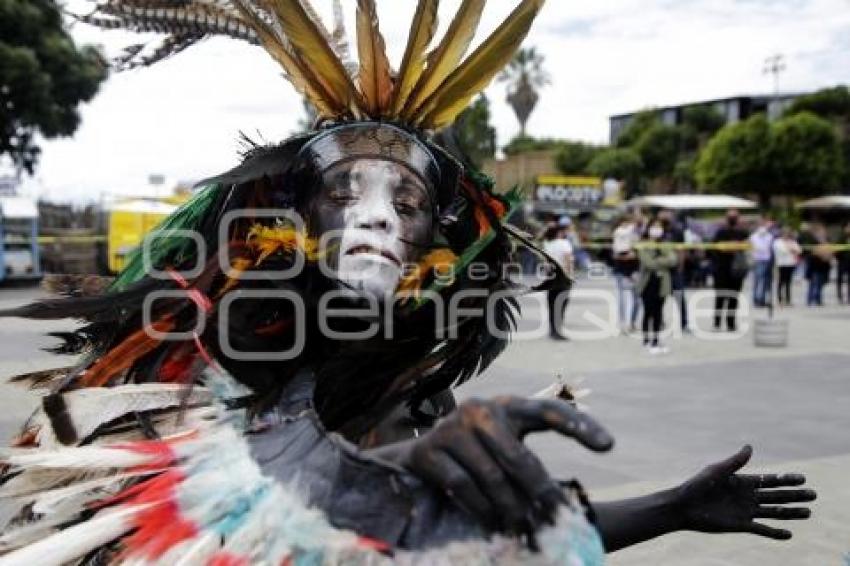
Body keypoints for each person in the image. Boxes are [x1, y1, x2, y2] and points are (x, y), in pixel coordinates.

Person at [0, 1, 815, 563]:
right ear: (292, 215)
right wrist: (410, 464)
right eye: (345, 191)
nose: (381, 215)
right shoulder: (213, 352)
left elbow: (465, 542)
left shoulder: (416, 387)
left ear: (439, 236)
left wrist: (671, 508)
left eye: (410, 200)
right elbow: (240, 501)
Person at [636, 220, 678, 353]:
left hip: (662, 283)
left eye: (659, 227)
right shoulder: (643, 244)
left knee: (659, 313)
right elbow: (648, 263)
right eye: (654, 227)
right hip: (647, 283)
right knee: (648, 311)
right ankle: (647, 339)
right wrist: (662, 261)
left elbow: (673, 260)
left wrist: (659, 261)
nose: (656, 229)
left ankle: (656, 340)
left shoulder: (665, 244)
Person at [711, 209, 750, 331]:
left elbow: (748, 244)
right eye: (730, 217)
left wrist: (737, 246)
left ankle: (731, 323)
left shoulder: (743, 233)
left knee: (734, 298)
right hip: (721, 269)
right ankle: (717, 323)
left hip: (736, 270)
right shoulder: (720, 232)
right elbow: (715, 249)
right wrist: (731, 247)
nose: (733, 219)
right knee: (720, 297)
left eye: (735, 217)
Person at [658, 209, 689, 332]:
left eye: (667, 212)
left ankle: (683, 323)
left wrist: (681, 266)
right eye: (662, 212)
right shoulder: (657, 231)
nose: (664, 215)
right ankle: (659, 321)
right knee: (660, 297)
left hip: (675, 269)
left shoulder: (677, 231)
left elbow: (681, 250)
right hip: (661, 268)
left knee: (679, 295)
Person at [543, 224, 574, 340]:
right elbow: (568, 260)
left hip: (551, 276)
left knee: (551, 304)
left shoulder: (547, 244)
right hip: (562, 276)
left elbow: (546, 263)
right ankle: (558, 330)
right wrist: (569, 275)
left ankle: (552, 330)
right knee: (561, 304)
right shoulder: (564, 243)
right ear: (559, 232)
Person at [611, 213, 641, 333]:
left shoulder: (637, 234)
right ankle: (623, 323)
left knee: (636, 298)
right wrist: (625, 256)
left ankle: (632, 322)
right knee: (623, 296)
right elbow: (615, 254)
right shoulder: (618, 234)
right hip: (621, 270)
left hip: (635, 269)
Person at [802, 223, 833, 306]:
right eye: (821, 231)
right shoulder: (813, 240)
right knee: (814, 283)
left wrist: (828, 256)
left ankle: (818, 299)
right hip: (815, 265)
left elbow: (831, 250)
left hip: (824, 265)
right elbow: (810, 252)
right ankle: (811, 300)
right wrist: (821, 254)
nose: (823, 233)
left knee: (820, 283)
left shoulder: (827, 240)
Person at [750, 216, 776, 307]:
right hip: (764, 259)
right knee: (762, 280)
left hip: (757, 259)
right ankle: (760, 299)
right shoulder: (769, 236)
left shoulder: (753, 236)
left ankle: (757, 299)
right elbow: (769, 248)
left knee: (757, 281)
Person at [773, 227, 801, 306]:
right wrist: (791, 249)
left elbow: (799, 250)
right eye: (785, 234)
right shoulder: (777, 242)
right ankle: (780, 299)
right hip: (781, 264)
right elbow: (783, 251)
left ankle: (788, 300)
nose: (786, 236)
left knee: (788, 282)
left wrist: (792, 249)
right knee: (781, 282)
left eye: (788, 234)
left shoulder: (792, 241)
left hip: (790, 263)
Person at [836, 222, 850, 304]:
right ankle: (840, 297)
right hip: (842, 261)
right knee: (840, 279)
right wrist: (839, 258)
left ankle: (849, 297)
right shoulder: (841, 237)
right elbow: (837, 249)